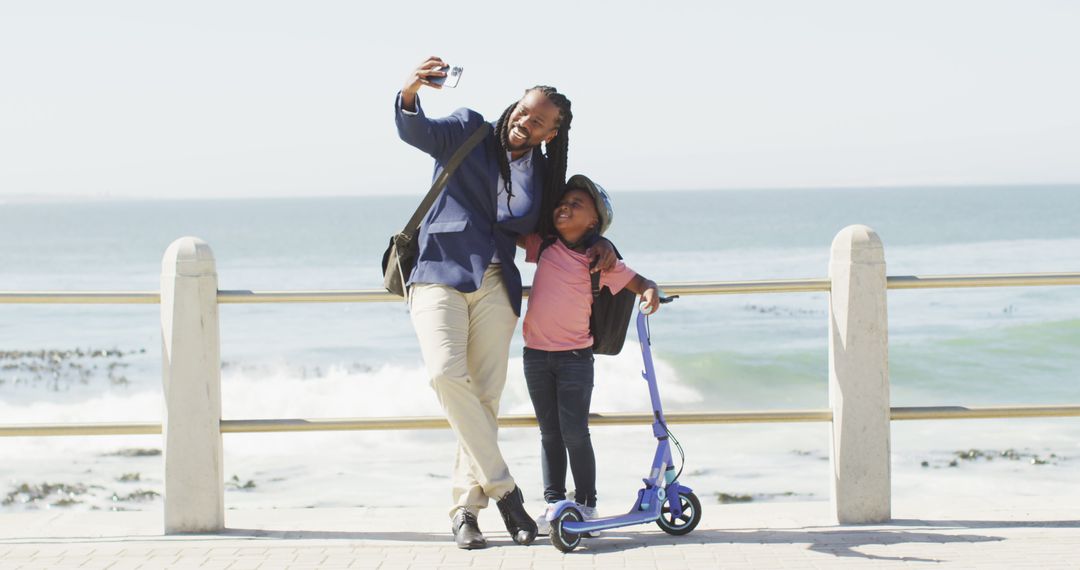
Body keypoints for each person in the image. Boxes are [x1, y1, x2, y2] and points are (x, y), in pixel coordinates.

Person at [394, 57, 615, 550]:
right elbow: (416, 130)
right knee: (446, 375)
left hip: (497, 282)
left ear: (550, 134)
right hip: (440, 272)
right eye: (523, 110)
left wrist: (608, 249)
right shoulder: (470, 129)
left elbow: (569, 233)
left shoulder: (543, 174)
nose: (524, 121)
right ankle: (506, 491)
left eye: (538, 121)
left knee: (486, 396)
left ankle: (466, 512)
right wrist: (410, 92)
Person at [518, 175, 660, 534]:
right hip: (535, 355)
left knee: (575, 433)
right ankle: (554, 502)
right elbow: (512, 231)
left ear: (594, 221)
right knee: (549, 433)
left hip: (575, 359)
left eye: (576, 205)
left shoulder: (600, 260)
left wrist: (650, 292)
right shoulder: (543, 246)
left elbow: (640, 283)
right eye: (562, 203)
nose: (564, 207)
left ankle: (586, 504)